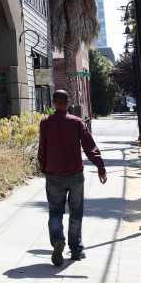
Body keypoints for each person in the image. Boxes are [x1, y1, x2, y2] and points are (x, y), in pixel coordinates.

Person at [38, 89, 107, 266]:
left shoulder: (45, 123)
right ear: (68, 103)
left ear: (54, 103)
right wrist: (100, 166)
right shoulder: (76, 123)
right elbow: (89, 146)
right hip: (75, 175)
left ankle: (57, 241)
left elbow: (42, 149)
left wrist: (44, 167)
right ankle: (75, 249)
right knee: (75, 213)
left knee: (55, 212)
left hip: (54, 175)